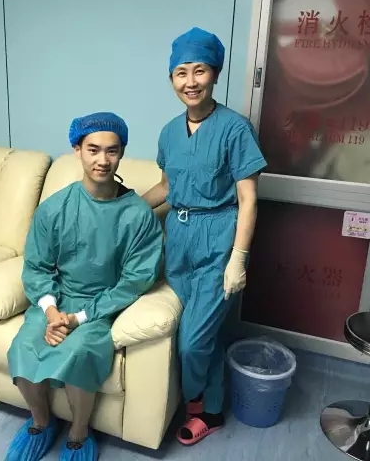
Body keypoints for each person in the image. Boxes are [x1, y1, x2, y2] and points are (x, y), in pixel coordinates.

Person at [5, 112, 164, 461]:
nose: (102, 160)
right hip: (56, 300)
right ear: (77, 150)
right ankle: (41, 421)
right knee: (23, 348)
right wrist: (51, 313)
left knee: (79, 353)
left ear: (121, 153)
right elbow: (36, 267)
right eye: (93, 150)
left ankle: (78, 432)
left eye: (112, 151)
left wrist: (78, 318)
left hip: (101, 305)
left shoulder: (137, 215)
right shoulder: (54, 208)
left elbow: (134, 281)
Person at [142, 27, 268, 446]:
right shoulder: (169, 133)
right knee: (205, 332)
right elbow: (166, 188)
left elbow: (248, 199)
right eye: (181, 73)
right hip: (178, 241)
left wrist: (238, 259)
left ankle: (195, 402)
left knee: (192, 342)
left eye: (200, 71)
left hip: (218, 240)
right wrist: (128, 208)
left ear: (214, 74)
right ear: (171, 79)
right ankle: (211, 410)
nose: (190, 81)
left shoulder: (235, 129)